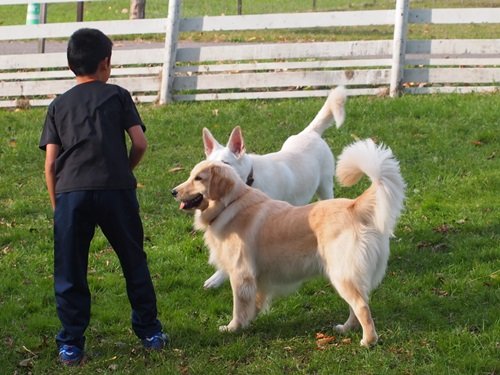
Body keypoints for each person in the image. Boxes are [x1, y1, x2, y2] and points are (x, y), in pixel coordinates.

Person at [39, 28, 168, 366]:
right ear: (105, 63)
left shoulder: (58, 106)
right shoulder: (118, 95)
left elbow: (50, 165)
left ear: (71, 66)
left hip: (71, 194)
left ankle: (71, 344)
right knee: (133, 260)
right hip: (115, 190)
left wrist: (58, 205)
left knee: (70, 269)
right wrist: (124, 171)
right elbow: (139, 143)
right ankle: (150, 331)